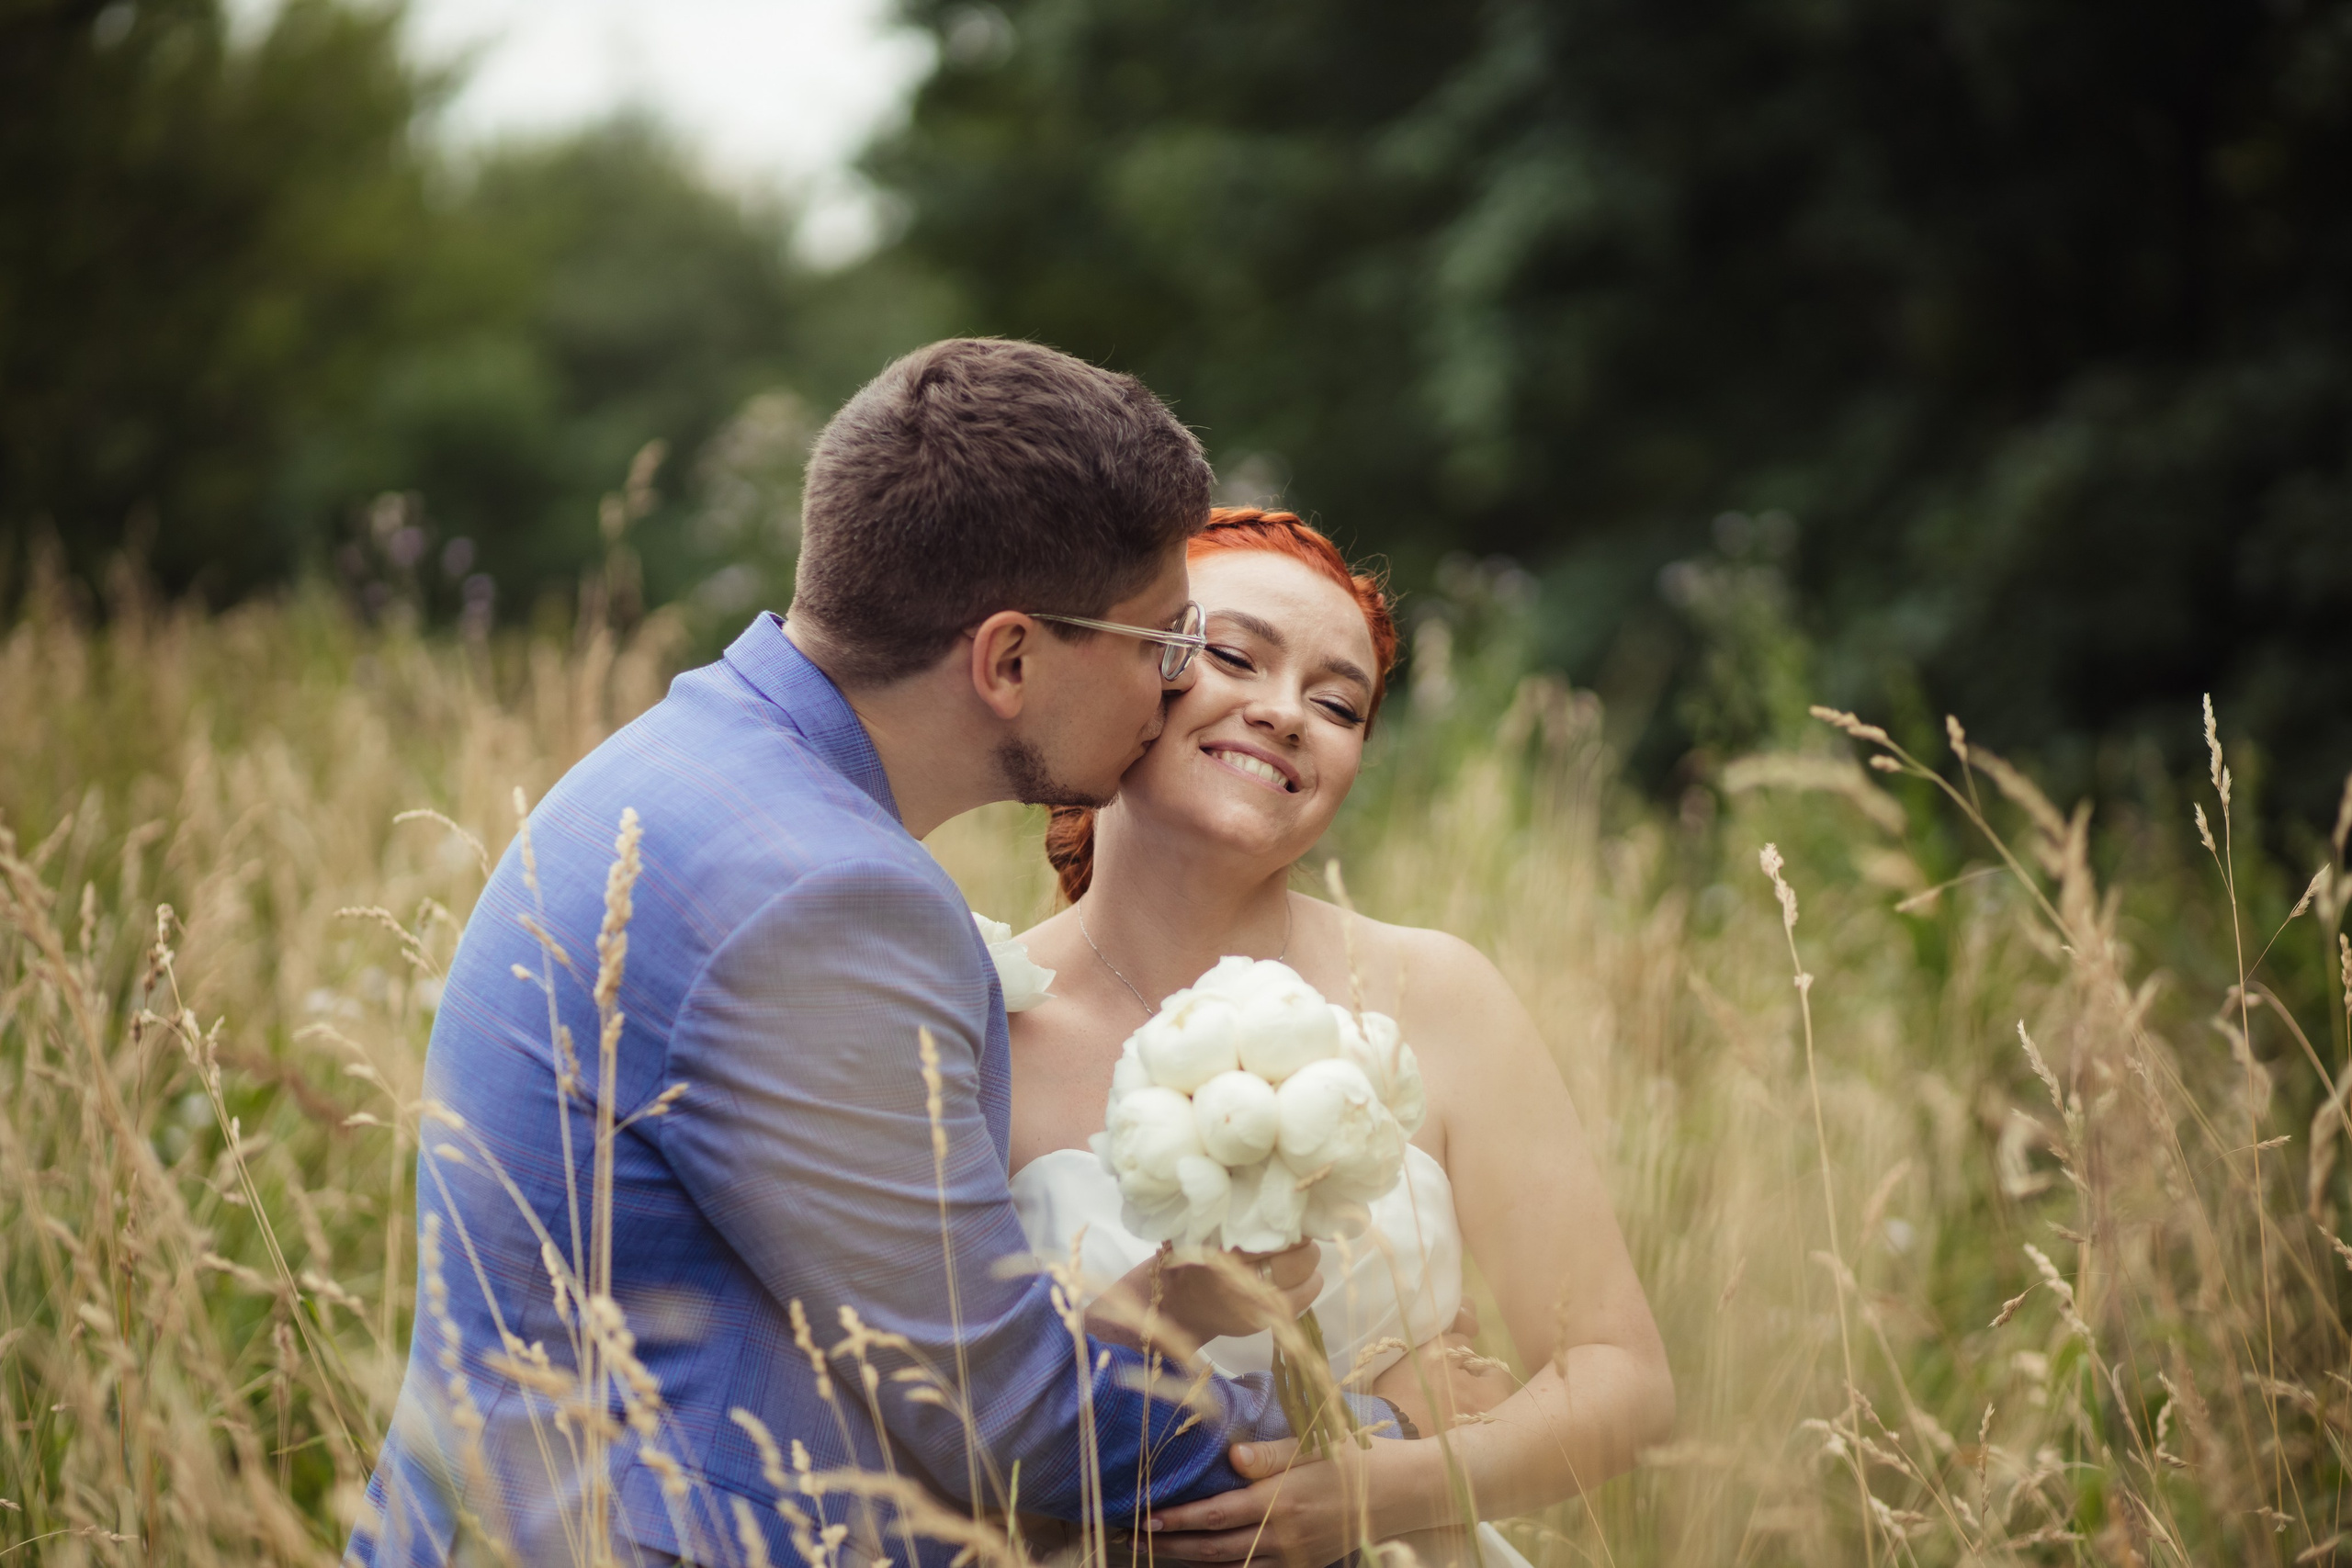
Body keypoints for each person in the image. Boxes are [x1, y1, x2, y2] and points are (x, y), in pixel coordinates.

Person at [350, 344, 1377, 1568]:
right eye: (1164, 639)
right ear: (1007, 660)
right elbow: (1001, 1418)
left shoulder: (689, 756)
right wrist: (1357, 1466)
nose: (1173, 685)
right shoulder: (830, 898)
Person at [1005, 510, 1677, 1568]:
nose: (1284, 715)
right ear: (1135, 672)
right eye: (1233, 656)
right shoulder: (981, 1018)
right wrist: (1158, 1314)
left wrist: (1389, 1478)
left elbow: (1619, 1377)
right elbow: (918, 1424)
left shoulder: (1436, 993)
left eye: (1337, 704)